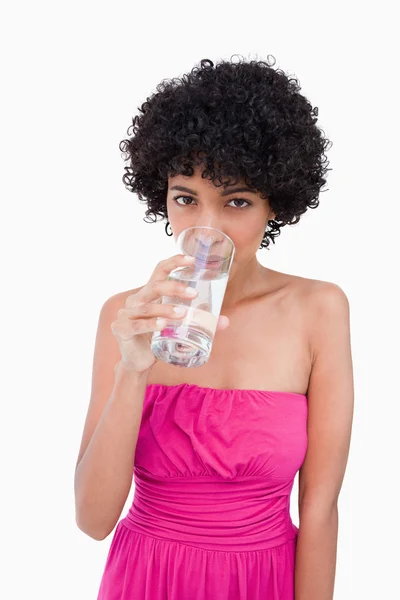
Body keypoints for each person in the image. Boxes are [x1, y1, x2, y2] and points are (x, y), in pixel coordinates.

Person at [74, 55, 354, 600]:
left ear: (277, 204)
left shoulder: (319, 309)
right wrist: (133, 370)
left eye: (237, 201)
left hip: (262, 581)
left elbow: (318, 510)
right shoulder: (125, 316)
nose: (206, 227)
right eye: (186, 199)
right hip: (144, 579)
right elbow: (92, 519)